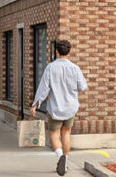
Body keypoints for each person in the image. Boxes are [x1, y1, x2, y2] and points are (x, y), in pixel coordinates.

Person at [31, 39, 88, 176]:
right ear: (69, 52)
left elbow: (44, 89)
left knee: (54, 134)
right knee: (66, 133)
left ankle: (60, 156)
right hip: (70, 108)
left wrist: (35, 104)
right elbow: (82, 87)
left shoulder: (50, 67)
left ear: (56, 51)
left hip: (55, 107)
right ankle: (65, 161)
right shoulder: (75, 68)